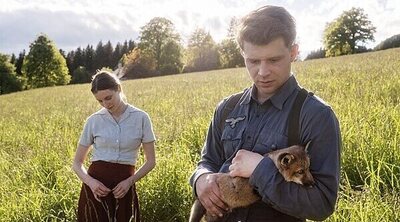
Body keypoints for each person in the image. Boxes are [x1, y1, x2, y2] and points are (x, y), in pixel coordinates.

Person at [189, 5, 341, 222]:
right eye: (253, 61)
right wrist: (201, 179)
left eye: (274, 60)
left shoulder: (316, 116)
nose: (263, 72)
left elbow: (322, 204)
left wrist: (261, 169)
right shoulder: (227, 108)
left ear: (293, 52)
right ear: (242, 55)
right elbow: (207, 161)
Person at [72, 70, 156, 222]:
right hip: (96, 188)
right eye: (100, 101)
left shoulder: (141, 118)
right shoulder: (93, 121)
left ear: (118, 88)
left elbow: (151, 162)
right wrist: (91, 183)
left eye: (108, 98)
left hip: (123, 188)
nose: (105, 104)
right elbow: (77, 163)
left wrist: (129, 182)